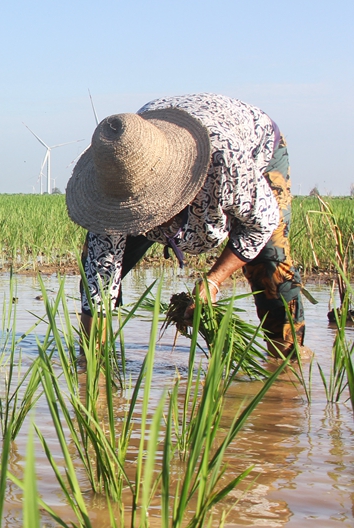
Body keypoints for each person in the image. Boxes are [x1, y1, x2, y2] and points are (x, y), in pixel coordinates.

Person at [66, 93, 304, 358]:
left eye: (152, 208)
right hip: (153, 141)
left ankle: (286, 361)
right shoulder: (114, 181)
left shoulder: (223, 161)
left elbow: (260, 225)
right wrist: (91, 363)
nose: (152, 218)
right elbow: (98, 281)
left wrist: (213, 282)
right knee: (97, 266)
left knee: (271, 263)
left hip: (255, 144)